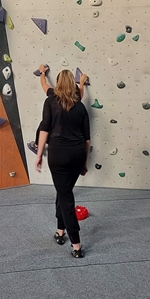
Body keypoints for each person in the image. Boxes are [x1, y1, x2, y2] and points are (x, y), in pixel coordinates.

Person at [35, 70, 90, 258]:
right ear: (73, 85)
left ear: (57, 84)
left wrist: (39, 154)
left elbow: (44, 128)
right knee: (63, 191)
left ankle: (76, 244)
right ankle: (60, 231)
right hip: (77, 155)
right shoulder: (80, 106)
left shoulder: (50, 100)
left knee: (65, 196)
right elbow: (87, 139)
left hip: (58, 155)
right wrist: (84, 162)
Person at [28, 64, 88, 154]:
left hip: (55, 138)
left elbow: (44, 84)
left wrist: (42, 73)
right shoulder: (75, 97)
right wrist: (81, 83)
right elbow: (81, 95)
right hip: (72, 138)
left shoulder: (53, 94)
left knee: (43, 124)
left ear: (56, 82)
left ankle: (36, 146)